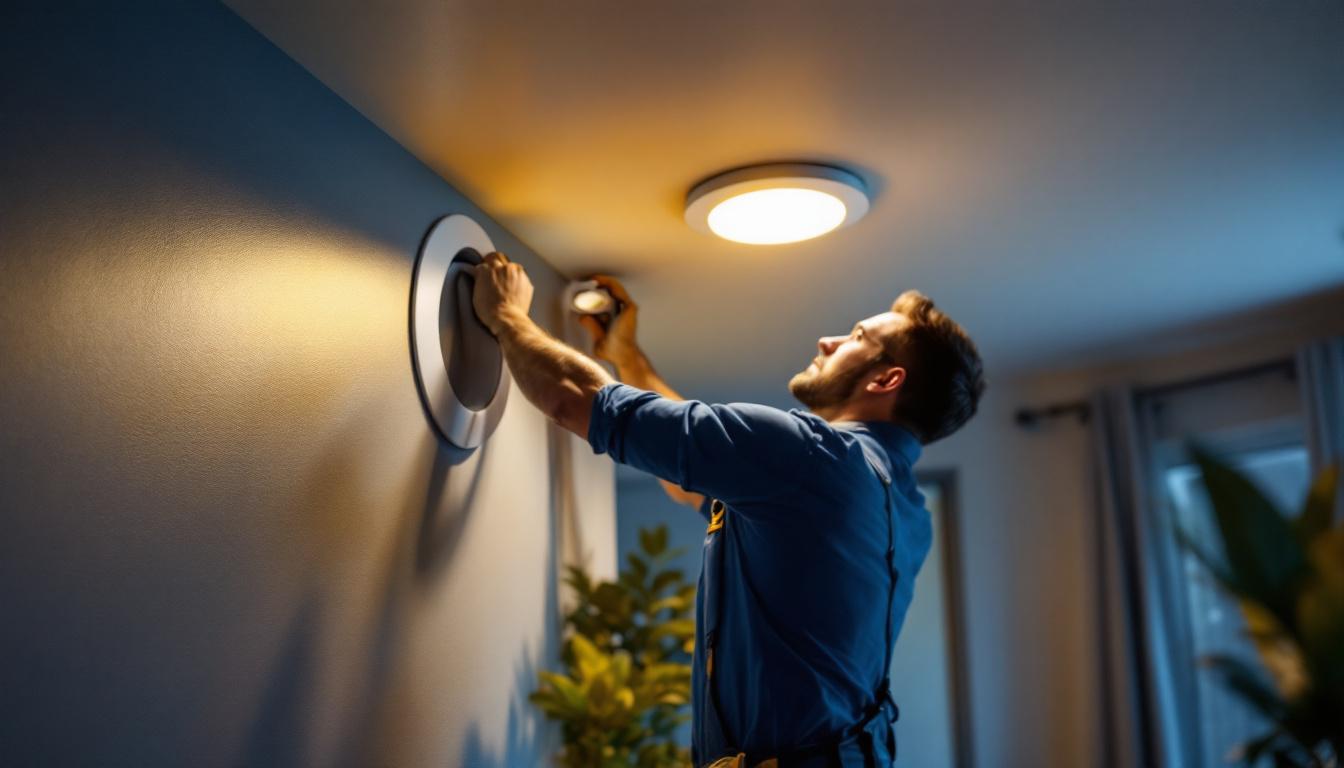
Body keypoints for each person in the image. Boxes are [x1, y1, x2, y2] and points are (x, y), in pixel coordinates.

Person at [470, 252, 985, 768]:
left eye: (854, 337)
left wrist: (507, 315)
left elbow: (575, 400)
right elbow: (688, 480)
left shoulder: (811, 455)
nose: (827, 342)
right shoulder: (903, 507)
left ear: (884, 380)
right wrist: (627, 357)